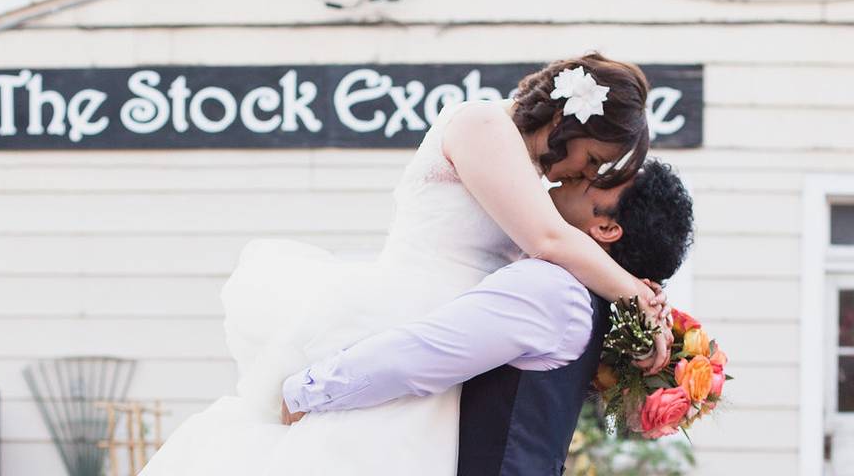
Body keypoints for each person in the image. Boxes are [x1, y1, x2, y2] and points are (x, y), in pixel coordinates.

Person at [138, 53, 675, 476]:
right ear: (568, 116)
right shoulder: (482, 122)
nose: (584, 174)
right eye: (595, 159)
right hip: (404, 317)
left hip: (455, 348)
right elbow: (547, 239)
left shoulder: (533, 183)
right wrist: (636, 297)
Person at [279, 159, 695, 475]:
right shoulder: (594, 301)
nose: (575, 174)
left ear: (606, 229)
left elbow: (420, 357)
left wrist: (307, 391)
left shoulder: (553, 291)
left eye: (598, 179)